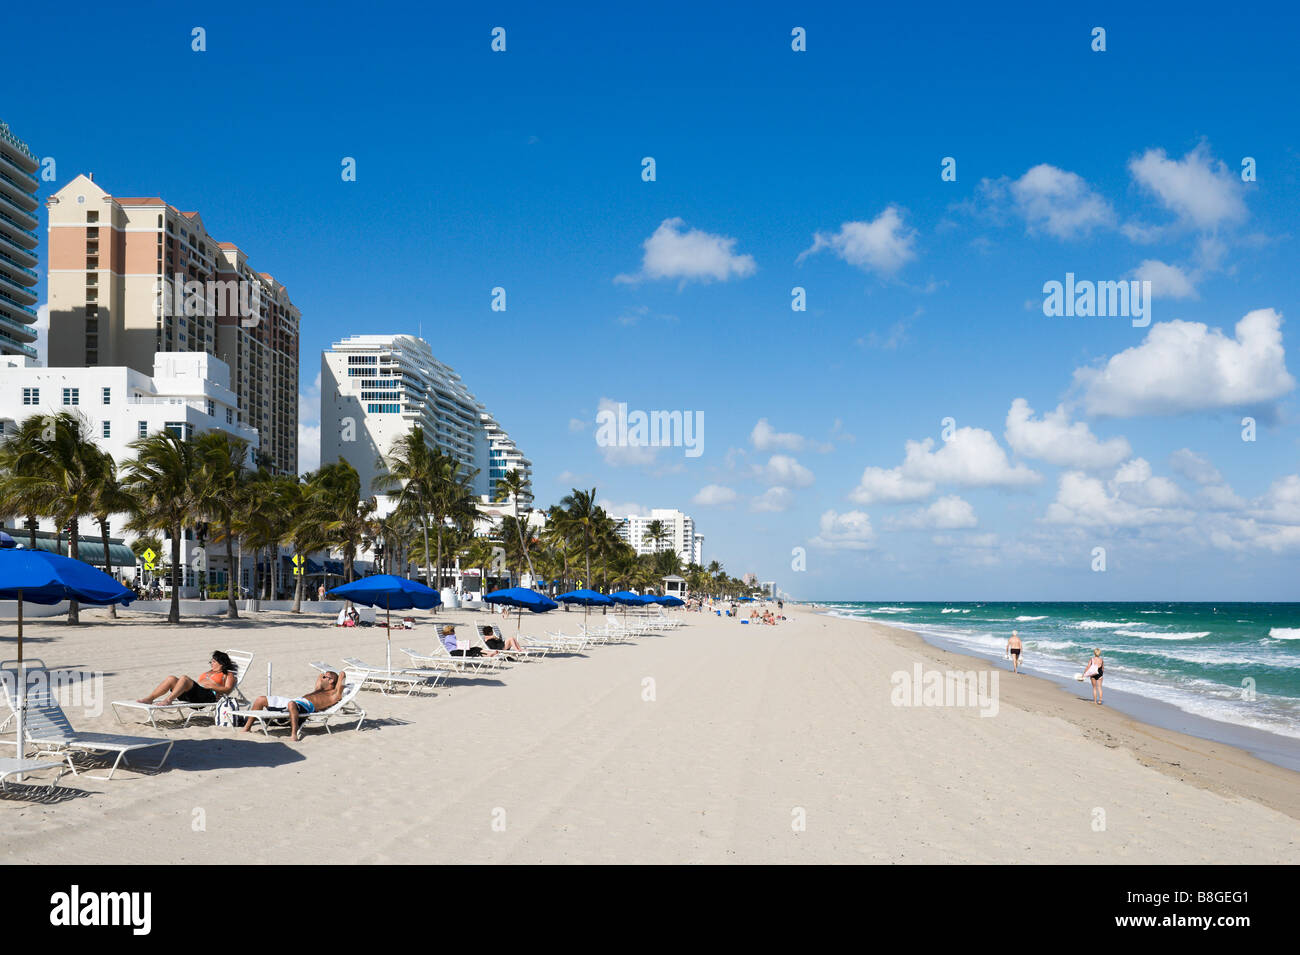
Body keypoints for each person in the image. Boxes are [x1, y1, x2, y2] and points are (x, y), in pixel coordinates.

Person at [241, 669, 346, 740]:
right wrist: (325, 674)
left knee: (291, 704)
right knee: (260, 699)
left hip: (305, 707)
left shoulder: (332, 695)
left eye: (325, 677)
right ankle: (247, 728)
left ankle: (293, 734)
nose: (321, 678)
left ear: (331, 680)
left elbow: (340, 682)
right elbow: (319, 678)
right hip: (295, 701)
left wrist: (340, 675)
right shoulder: (319, 690)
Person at [137, 651, 239, 705]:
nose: (211, 663)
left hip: (206, 697)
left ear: (221, 663)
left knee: (184, 678)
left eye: (213, 661)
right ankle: (149, 699)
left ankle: (168, 700)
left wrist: (213, 686)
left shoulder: (227, 674)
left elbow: (228, 689)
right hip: (195, 694)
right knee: (171, 678)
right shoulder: (210, 672)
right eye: (211, 661)